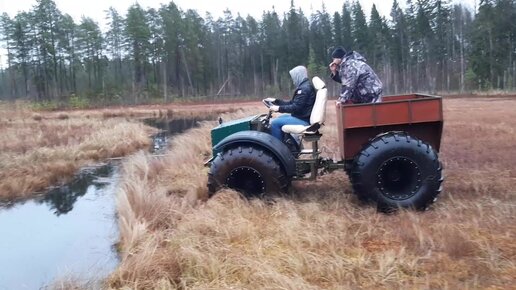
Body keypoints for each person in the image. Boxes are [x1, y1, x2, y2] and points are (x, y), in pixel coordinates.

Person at [265, 65, 316, 141]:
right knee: (279, 118)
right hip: (302, 117)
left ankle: (278, 149)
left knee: (274, 123)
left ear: (298, 75)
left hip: (303, 120)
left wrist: (279, 108)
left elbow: (295, 107)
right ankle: (287, 144)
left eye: (294, 77)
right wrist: (276, 101)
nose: (293, 80)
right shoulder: (305, 86)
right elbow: (292, 103)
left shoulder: (304, 89)